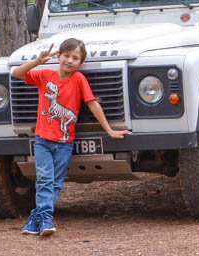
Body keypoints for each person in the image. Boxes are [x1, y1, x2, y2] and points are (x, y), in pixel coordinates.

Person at [12, 38, 131, 236]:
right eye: (66, 55)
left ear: (80, 63)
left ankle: (36, 218)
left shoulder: (78, 80)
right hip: (42, 140)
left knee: (56, 182)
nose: (69, 60)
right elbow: (17, 73)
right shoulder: (44, 75)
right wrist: (37, 61)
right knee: (44, 178)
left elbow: (92, 103)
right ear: (58, 55)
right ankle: (46, 217)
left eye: (75, 58)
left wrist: (109, 130)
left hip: (65, 143)